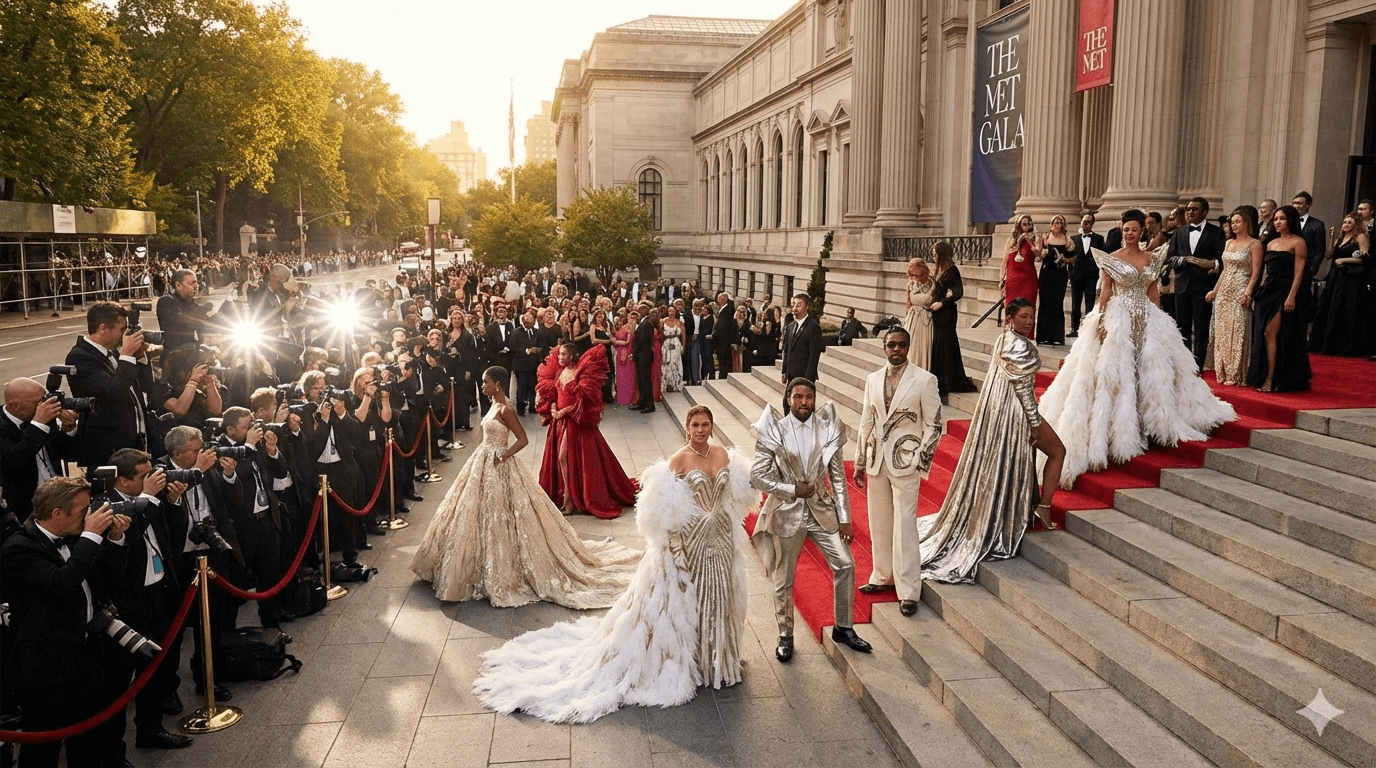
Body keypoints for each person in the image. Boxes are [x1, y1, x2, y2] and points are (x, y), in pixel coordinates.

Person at [473, 405, 755, 723]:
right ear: (687, 428)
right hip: (687, 548)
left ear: (712, 426)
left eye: (706, 424)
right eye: (696, 425)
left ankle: (716, 661)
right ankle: (690, 663)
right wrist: (676, 549)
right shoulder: (678, 461)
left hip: (719, 546)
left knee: (718, 600)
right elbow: (660, 513)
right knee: (684, 607)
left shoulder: (722, 455)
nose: (701, 430)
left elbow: (737, 495)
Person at [410, 366, 638, 607]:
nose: (483, 386)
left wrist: (504, 455)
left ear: (497, 384)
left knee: (502, 514)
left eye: (486, 382)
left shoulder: (506, 408)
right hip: (482, 461)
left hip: (498, 462)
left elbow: (523, 439)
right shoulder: (494, 403)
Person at [1039, 210, 1234, 488]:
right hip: (1118, 320)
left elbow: (1153, 293)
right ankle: (1121, 431)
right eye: (1125, 229)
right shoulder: (1111, 258)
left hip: (1148, 320)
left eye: (1133, 229)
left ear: (1143, 230)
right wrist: (1102, 321)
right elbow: (1104, 292)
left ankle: (1152, 422)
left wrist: (1163, 324)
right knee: (1117, 375)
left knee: (1153, 371)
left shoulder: (1153, 258)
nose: (1129, 233)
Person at [919, 299, 1065, 583]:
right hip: (1016, 413)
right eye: (1023, 316)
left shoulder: (1004, 338)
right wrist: (1034, 423)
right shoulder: (1019, 345)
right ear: (1010, 318)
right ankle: (1043, 507)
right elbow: (1024, 390)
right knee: (1058, 450)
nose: (1029, 321)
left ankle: (1034, 506)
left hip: (998, 411)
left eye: (1032, 316)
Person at [2, 477, 129, 768]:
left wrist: (113, 539)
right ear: (58, 514)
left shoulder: (74, 538)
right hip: (46, 668)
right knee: (43, 751)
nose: (89, 515)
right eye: (83, 510)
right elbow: (63, 584)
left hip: (86, 658)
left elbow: (107, 582)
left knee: (88, 743)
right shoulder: (17, 548)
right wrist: (91, 537)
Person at [749, 379, 872, 662]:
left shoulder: (827, 427)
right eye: (798, 397)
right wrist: (791, 489)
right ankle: (785, 635)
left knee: (845, 564)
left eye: (809, 397)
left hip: (822, 511)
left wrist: (845, 519)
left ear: (814, 399)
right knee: (784, 578)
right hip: (785, 512)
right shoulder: (775, 430)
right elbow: (758, 476)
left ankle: (844, 627)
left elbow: (839, 477)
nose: (804, 402)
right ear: (789, 399)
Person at [852, 327, 943, 616]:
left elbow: (935, 425)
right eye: (892, 345)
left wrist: (919, 458)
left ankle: (908, 591)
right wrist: (859, 461)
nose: (897, 350)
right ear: (884, 347)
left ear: (909, 346)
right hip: (877, 459)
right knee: (879, 522)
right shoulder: (872, 379)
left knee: (905, 525)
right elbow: (867, 420)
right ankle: (883, 576)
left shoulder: (925, 380)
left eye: (902, 345)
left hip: (906, 461)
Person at [537, 343, 639, 518]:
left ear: (572, 356)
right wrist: (554, 408)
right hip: (560, 422)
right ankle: (566, 494)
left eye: (564, 354)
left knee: (563, 457)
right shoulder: (559, 372)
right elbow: (555, 394)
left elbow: (583, 401)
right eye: (559, 354)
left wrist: (564, 411)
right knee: (562, 458)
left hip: (576, 422)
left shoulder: (580, 374)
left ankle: (569, 496)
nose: (560, 357)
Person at [65, 301, 156, 467]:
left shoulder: (112, 352)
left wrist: (140, 356)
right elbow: (113, 392)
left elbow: (144, 386)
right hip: (106, 449)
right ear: (102, 328)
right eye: (121, 330)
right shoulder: (81, 357)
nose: (125, 335)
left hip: (133, 441)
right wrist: (127, 355)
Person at [1247, 205, 1312, 392]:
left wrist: (1291, 296)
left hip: (1285, 292)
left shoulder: (1298, 242)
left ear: (1290, 220)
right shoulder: (1271, 243)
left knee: (1271, 333)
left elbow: (1299, 274)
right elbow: (1266, 272)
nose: (1277, 222)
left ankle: (1271, 378)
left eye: (1282, 218)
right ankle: (1266, 374)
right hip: (1267, 292)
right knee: (1264, 334)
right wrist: (1256, 294)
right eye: (1276, 219)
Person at [1, 378, 78, 524]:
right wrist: (38, 424)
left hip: (58, 495)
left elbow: (68, 453)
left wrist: (69, 429)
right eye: (38, 402)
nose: (44, 405)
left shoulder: (44, 417)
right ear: (15, 406)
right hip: (24, 506)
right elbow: (14, 460)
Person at [1205, 208, 1263, 386]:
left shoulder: (1255, 244)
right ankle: (1223, 371)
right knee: (1222, 330)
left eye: (1238, 221)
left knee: (1237, 330)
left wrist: (1248, 292)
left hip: (1241, 287)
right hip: (1225, 291)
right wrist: (1215, 290)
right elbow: (1225, 270)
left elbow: (1256, 273)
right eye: (1233, 222)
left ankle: (1237, 373)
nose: (1234, 225)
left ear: (1247, 223)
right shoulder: (1229, 242)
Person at [1167, 197, 1226, 368]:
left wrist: (1212, 264)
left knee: (1201, 327)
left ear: (1205, 212)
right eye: (1188, 209)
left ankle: (1198, 364)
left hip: (1204, 286)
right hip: (1181, 285)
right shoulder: (1179, 233)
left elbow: (1222, 258)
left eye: (1195, 209)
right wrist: (1185, 260)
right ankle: (1185, 364)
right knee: (1182, 326)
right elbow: (1170, 259)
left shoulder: (1216, 232)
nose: (1190, 212)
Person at [1310, 212, 1372, 356]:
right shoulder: (1341, 238)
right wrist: (1331, 239)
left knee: (1344, 309)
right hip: (1336, 276)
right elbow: (1329, 255)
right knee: (1328, 308)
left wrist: (1345, 260)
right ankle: (1325, 343)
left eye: (1349, 222)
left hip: (1351, 278)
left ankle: (1344, 347)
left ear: (1356, 223)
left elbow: (1365, 257)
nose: (1345, 225)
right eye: (1344, 222)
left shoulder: (1360, 237)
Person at [928, 242, 977, 402]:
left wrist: (942, 302)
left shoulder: (952, 270)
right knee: (939, 344)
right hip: (937, 313)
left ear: (942, 254)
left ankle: (948, 382)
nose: (934, 257)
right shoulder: (939, 270)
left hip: (946, 313)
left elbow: (958, 292)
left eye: (935, 254)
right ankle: (940, 380)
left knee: (946, 344)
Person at [1036, 215, 1075, 346]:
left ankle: (1057, 336)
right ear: (1051, 225)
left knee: (1057, 303)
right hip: (1046, 273)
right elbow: (1038, 257)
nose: (1057, 225)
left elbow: (1073, 258)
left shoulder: (1067, 240)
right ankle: (1043, 336)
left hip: (1060, 274)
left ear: (1063, 226)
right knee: (1045, 302)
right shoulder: (1045, 239)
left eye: (1059, 223)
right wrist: (1042, 254)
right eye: (1055, 222)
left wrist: (1065, 259)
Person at [1000, 214, 1041, 330]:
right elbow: (1005, 260)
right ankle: (1010, 331)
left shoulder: (1035, 239)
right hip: (1013, 279)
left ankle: (1028, 334)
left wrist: (1030, 242)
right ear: (1019, 225)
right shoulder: (1011, 240)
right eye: (1024, 224)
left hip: (1028, 278)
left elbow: (1039, 255)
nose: (1027, 226)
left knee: (1028, 306)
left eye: (1029, 224)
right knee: (1011, 306)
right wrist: (1002, 278)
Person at [1070, 213, 1105, 337]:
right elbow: (1070, 258)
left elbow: (1101, 256)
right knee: (1075, 304)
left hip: (1092, 276)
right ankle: (1074, 329)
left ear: (1092, 224)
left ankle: (1088, 329)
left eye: (1089, 222)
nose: (1086, 224)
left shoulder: (1099, 239)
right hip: (1077, 275)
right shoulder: (1073, 239)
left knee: (1090, 303)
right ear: (1081, 222)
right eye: (1085, 221)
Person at [780, 294, 823, 383]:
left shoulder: (813, 327)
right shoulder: (790, 326)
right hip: (791, 375)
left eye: (798, 305)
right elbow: (787, 350)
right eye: (794, 305)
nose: (795, 308)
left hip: (804, 376)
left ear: (806, 307)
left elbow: (814, 356)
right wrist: (784, 371)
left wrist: (808, 378)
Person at [902, 258, 936, 369]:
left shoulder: (933, 284)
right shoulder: (910, 285)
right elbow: (908, 305)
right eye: (915, 275)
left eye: (922, 275)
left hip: (926, 322)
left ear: (926, 272)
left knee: (923, 348)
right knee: (912, 347)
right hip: (912, 320)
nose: (918, 278)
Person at [630, 309, 656, 414]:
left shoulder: (647, 324)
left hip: (644, 356)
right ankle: (642, 402)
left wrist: (634, 353)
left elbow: (642, 341)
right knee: (641, 380)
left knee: (645, 381)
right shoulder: (643, 323)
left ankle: (650, 404)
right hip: (641, 356)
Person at [612, 313, 635, 404]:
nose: (618, 321)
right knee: (620, 376)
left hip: (626, 352)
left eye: (620, 319)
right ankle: (621, 395)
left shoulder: (629, 328)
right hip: (619, 353)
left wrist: (615, 341)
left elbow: (627, 341)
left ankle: (627, 397)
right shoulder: (621, 328)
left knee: (627, 376)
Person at [661, 305, 685, 392]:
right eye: (670, 311)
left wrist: (683, 346)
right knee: (666, 363)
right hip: (666, 344)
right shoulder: (663, 321)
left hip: (676, 343)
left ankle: (675, 384)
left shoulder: (679, 322)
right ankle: (666, 384)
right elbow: (660, 334)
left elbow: (683, 335)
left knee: (675, 363)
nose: (671, 313)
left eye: (673, 311)